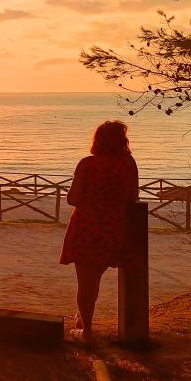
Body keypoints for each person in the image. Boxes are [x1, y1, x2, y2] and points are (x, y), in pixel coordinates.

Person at [59, 120, 139, 343]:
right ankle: (83, 319)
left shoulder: (87, 164)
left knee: (86, 282)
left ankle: (87, 332)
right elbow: (132, 196)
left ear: (97, 140)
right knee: (95, 276)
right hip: (114, 226)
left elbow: (72, 198)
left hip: (87, 225)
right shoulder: (128, 164)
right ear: (122, 141)